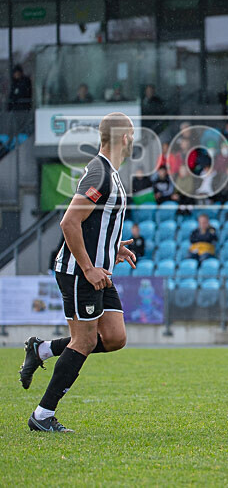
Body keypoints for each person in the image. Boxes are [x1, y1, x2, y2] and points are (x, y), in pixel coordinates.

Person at [18, 113, 135, 432]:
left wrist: (114, 246)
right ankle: (42, 416)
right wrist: (88, 267)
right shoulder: (100, 173)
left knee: (114, 337)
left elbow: (93, 223)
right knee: (83, 341)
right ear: (124, 137)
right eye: (132, 135)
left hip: (99, 269)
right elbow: (69, 222)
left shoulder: (109, 172)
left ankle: (41, 349)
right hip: (80, 272)